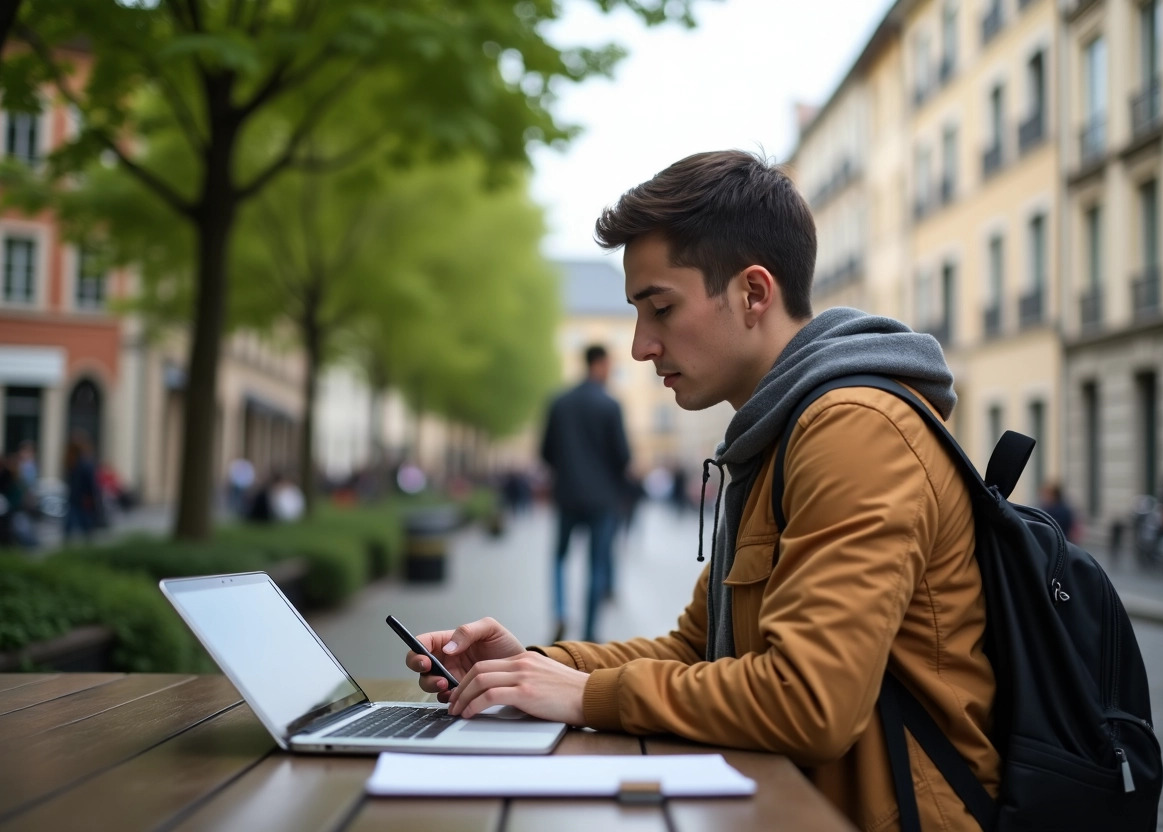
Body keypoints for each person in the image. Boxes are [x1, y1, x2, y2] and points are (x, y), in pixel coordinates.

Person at [402, 150, 997, 831]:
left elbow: (809, 703)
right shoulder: (777, 435)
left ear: (752, 293)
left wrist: (587, 694)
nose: (638, 347)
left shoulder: (853, 430)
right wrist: (534, 667)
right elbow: (697, 650)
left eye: (660, 308)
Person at [540, 344, 632, 642]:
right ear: (601, 364)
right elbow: (623, 456)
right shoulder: (610, 405)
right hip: (603, 499)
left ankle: (561, 612)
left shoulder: (559, 403)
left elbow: (545, 452)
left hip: (566, 494)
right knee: (598, 564)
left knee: (559, 557)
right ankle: (591, 632)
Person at [63, 431, 100, 542]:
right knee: (85, 529)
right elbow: (92, 484)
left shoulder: (73, 463)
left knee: (73, 528)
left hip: (78, 499)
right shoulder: (83, 463)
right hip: (83, 500)